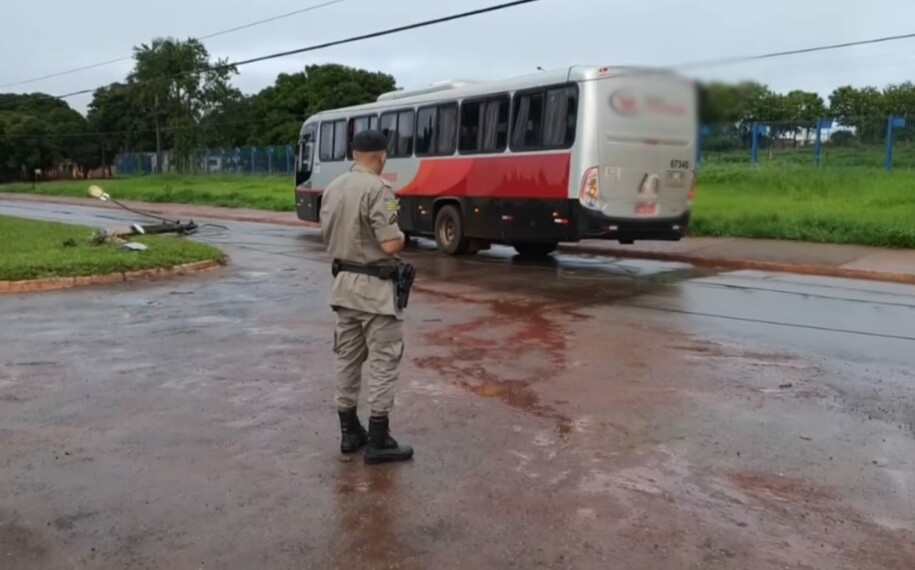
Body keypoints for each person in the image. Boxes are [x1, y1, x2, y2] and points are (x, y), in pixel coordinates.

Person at [319, 129, 414, 465]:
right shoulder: (381, 189)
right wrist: (403, 234)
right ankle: (378, 439)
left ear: (354, 154)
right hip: (376, 292)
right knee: (384, 361)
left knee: (347, 360)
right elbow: (390, 244)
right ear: (382, 156)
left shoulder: (332, 188)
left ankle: (349, 432)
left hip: (343, 287)